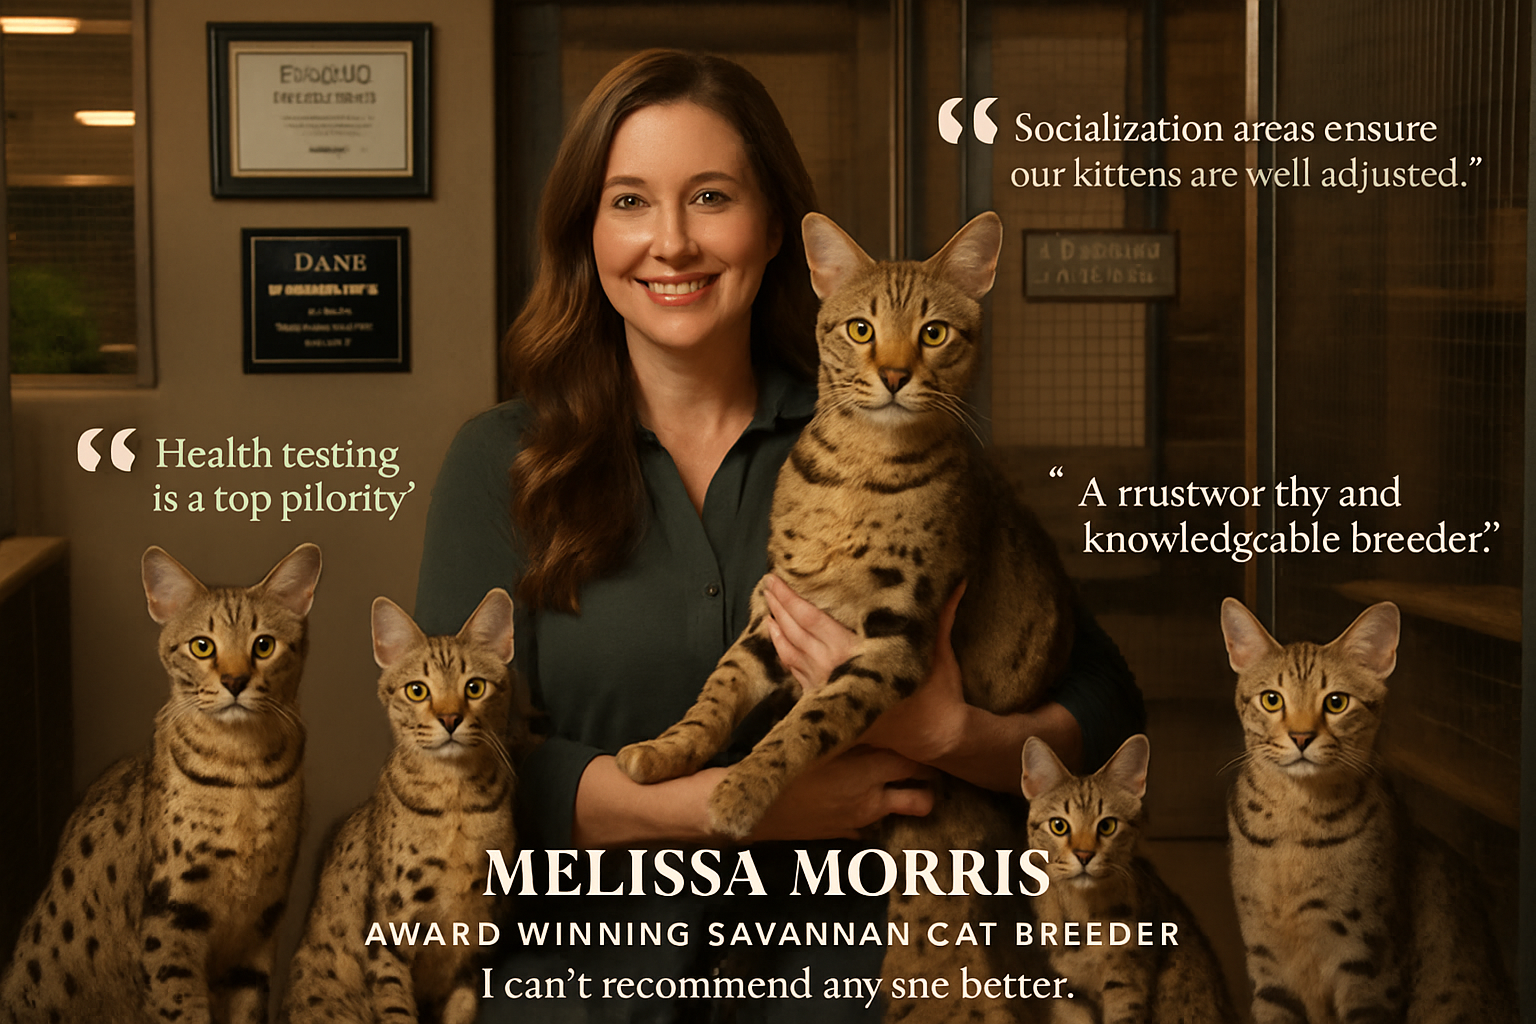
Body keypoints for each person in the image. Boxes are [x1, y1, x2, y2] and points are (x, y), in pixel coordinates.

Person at [415, 49, 1143, 1024]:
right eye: (629, 201)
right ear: (588, 232)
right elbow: (452, 756)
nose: (672, 242)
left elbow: (1106, 703)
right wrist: (719, 808)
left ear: (773, 230)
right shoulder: (500, 460)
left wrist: (954, 736)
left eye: (710, 197)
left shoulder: (908, 443)